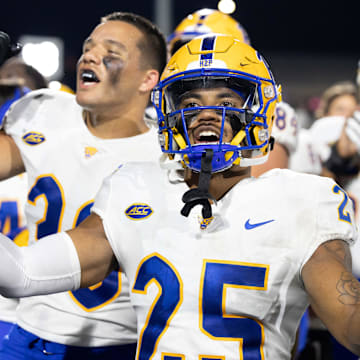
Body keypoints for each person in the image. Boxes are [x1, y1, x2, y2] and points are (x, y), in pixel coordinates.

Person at [0, 34, 359, 359]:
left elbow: (350, 323)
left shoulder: (302, 200)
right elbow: (21, 273)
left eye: (226, 100)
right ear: (170, 113)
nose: (205, 113)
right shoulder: (134, 188)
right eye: (190, 101)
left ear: (258, 111)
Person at [0, 11, 167, 360]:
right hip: (27, 334)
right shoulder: (44, 112)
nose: (90, 56)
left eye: (111, 52)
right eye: (89, 47)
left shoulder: (167, 156)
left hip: (117, 342)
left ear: (148, 79)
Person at [167, 8, 298, 178]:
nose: (198, 56)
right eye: (185, 47)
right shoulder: (161, 110)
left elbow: (260, 183)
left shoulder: (269, 109)